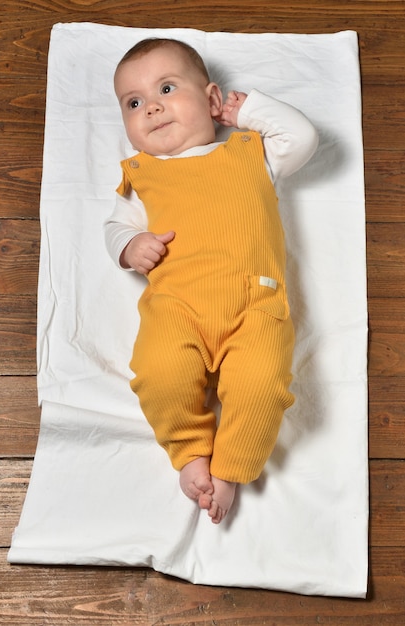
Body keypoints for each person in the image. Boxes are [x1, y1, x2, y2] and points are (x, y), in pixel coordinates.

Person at [105, 37, 318, 524]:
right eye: (134, 103)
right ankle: (190, 453)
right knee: (158, 373)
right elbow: (115, 226)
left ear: (211, 99)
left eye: (166, 88)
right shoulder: (141, 174)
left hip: (254, 303)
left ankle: (233, 468)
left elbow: (302, 139)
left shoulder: (250, 153)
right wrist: (127, 246)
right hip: (175, 307)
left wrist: (249, 112)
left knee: (263, 384)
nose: (152, 107)